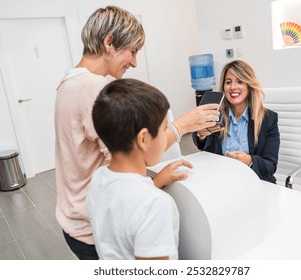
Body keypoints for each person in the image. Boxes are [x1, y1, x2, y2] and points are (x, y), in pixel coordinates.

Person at [55, 5, 219, 260]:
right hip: (93, 227)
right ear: (109, 42)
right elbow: (131, 149)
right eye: (132, 51)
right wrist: (182, 126)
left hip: (76, 218)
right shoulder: (95, 88)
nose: (134, 61)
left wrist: (154, 181)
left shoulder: (69, 82)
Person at [87, 78, 189, 260]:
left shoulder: (98, 178)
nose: (166, 138)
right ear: (144, 139)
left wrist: (154, 183)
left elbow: (125, 209)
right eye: (164, 129)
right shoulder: (156, 205)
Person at [193, 60, 280, 183]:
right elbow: (203, 145)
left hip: (255, 182)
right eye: (228, 82)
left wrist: (249, 160)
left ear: (249, 86)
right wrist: (200, 135)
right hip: (222, 180)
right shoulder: (217, 114)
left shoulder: (268, 119)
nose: (233, 87)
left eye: (239, 81)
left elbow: (270, 166)